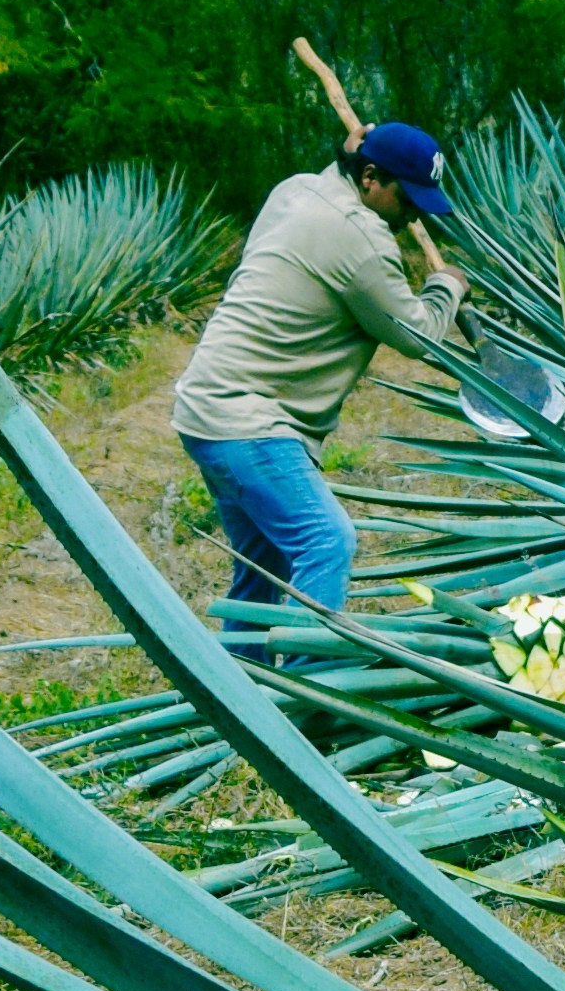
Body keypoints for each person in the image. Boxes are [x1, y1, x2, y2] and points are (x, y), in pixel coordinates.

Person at [171, 117, 467, 629]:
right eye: (409, 197)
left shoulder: (298, 189)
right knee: (326, 540)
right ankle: (309, 696)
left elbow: (334, 181)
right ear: (371, 177)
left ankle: (241, 698)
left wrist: (341, 156)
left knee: (261, 576)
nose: (415, 212)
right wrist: (447, 286)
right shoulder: (362, 240)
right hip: (249, 421)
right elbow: (416, 336)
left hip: (204, 407)